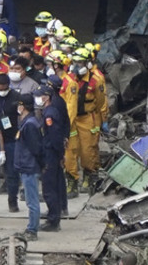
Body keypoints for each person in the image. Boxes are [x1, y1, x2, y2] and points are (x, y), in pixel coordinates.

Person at [63, 47, 105, 197]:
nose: (77, 66)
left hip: (88, 118)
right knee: (70, 150)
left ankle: (89, 175)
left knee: (88, 150)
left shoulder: (96, 80)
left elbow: (100, 102)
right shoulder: (69, 79)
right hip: (72, 120)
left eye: (80, 63)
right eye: (75, 62)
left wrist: (101, 120)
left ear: (88, 63)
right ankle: (72, 180)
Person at [35, 86, 69, 231]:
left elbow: (55, 137)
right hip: (51, 153)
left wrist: (60, 155)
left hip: (51, 154)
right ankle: (54, 215)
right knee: (52, 185)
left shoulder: (50, 114)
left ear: (46, 97)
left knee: (49, 187)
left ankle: (53, 220)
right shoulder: (48, 112)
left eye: (39, 96)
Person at [0, 73, 21, 213]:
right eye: (0, 88)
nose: (2, 91)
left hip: (11, 139)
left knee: (12, 173)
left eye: (5, 88)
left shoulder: (15, 97)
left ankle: (12, 201)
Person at [14, 93, 44, 241]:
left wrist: (40, 165)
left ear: (23, 106)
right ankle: (31, 227)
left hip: (30, 167)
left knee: (32, 201)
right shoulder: (26, 122)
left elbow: (36, 148)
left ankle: (32, 230)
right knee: (30, 200)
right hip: (26, 166)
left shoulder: (30, 124)